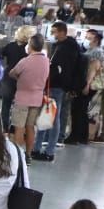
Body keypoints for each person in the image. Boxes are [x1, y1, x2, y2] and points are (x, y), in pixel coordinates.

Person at [42, 22, 83, 158]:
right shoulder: (59, 46)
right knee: (53, 115)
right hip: (58, 85)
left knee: (55, 116)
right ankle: (49, 141)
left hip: (59, 86)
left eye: (54, 32)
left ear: (62, 32)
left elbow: (65, 69)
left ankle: (51, 147)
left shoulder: (68, 49)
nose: (52, 35)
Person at [8, 34, 51, 160]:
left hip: (22, 98)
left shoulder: (25, 61)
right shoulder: (46, 61)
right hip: (37, 99)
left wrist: (19, 78)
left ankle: (17, 156)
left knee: (19, 127)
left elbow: (12, 73)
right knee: (30, 126)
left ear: (30, 45)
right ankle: (28, 155)